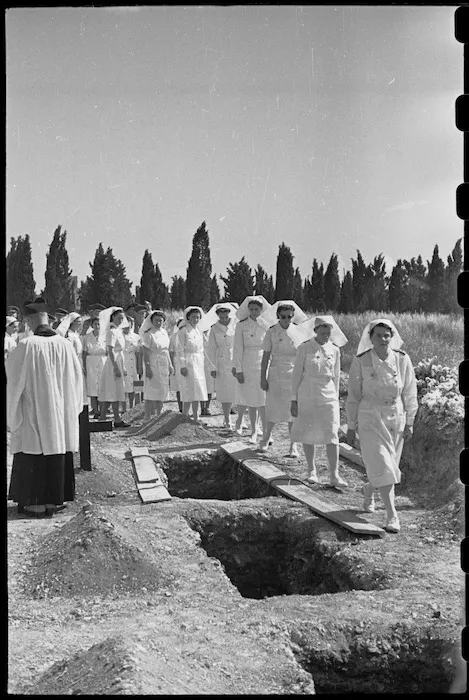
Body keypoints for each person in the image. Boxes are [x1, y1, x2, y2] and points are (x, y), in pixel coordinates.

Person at [6, 298, 83, 517]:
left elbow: (13, 381)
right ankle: (54, 500)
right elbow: (78, 381)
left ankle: (35, 502)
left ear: (29, 320)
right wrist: (72, 407)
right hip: (60, 414)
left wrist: (12, 414)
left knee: (34, 449)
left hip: (35, 412)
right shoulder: (65, 345)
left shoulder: (27, 345)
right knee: (57, 446)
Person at [345, 319, 418, 533]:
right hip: (370, 416)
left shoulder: (402, 360)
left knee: (388, 467)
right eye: (379, 335)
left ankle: (369, 489)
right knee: (383, 464)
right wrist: (351, 425)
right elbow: (353, 395)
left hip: (395, 417)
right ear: (371, 338)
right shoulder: (362, 361)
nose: (384, 339)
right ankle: (391, 514)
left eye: (387, 335)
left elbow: (410, 393)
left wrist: (411, 421)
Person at [290, 315, 348, 487]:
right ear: (315, 331)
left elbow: (336, 376)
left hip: (328, 394)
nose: (325, 336)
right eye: (322, 333)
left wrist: (336, 400)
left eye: (328, 333)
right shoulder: (305, 348)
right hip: (307, 393)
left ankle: (334, 475)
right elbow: (296, 375)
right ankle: (311, 470)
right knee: (309, 431)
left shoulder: (335, 350)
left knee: (332, 434)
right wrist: (294, 400)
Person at [259, 300, 308, 455]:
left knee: (292, 410)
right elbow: (266, 356)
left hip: (294, 373)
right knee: (273, 407)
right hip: (276, 372)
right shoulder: (272, 331)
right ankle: (266, 437)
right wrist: (263, 377)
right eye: (283, 316)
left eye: (289, 316)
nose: (287, 319)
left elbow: (303, 355)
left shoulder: (298, 332)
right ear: (278, 316)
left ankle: (293, 445)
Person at [232, 295, 272, 443]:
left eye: (257, 309)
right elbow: (237, 348)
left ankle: (266, 430)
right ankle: (254, 430)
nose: (254, 312)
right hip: (248, 361)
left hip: (264, 361)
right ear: (248, 310)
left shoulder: (267, 325)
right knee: (252, 399)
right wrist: (238, 369)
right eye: (251, 309)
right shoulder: (241, 325)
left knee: (263, 399)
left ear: (262, 310)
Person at [203, 303, 238, 429]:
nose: (224, 319)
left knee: (238, 390)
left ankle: (240, 419)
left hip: (235, 359)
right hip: (222, 362)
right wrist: (212, 367)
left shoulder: (235, 325)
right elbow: (211, 349)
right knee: (225, 391)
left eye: (226, 316)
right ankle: (227, 419)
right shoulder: (214, 328)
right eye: (221, 317)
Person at [97, 307, 130, 428]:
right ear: (113, 317)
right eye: (119, 318)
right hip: (113, 363)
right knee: (112, 390)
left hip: (119, 360)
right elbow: (110, 350)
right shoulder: (111, 331)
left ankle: (109, 418)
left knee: (115, 391)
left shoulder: (118, 331)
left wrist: (123, 367)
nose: (121, 320)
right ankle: (110, 418)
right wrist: (116, 367)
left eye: (122, 318)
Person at [140, 310, 173, 419]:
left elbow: (166, 350)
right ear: (152, 321)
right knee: (151, 391)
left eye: (160, 320)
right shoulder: (149, 334)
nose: (158, 323)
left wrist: (170, 364)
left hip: (163, 363)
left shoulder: (164, 332)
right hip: (153, 362)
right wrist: (148, 367)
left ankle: (159, 415)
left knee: (162, 390)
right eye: (156, 320)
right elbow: (145, 352)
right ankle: (147, 416)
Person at [177, 306, 207, 421]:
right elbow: (180, 349)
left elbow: (201, 349)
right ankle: (185, 416)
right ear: (188, 318)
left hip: (198, 361)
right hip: (188, 361)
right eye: (193, 317)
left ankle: (196, 416)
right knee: (188, 389)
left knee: (198, 390)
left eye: (198, 317)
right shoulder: (183, 331)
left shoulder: (199, 331)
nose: (195, 319)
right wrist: (183, 365)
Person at [82, 316, 107, 418]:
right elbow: (84, 353)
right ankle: (95, 410)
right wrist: (84, 366)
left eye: (99, 324)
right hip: (91, 362)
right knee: (93, 387)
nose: (97, 326)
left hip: (102, 361)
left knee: (102, 387)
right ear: (92, 325)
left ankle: (102, 410)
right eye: (95, 324)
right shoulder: (87, 337)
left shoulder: (105, 336)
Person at [122, 316, 141, 411]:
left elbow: (138, 352)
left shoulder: (136, 337)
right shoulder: (118, 336)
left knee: (136, 385)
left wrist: (139, 366)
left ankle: (134, 407)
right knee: (124, 385)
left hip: (133, 361)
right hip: (123, 360)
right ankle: (124, 409)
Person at [169, 318, 185, 412]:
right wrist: (172, 366)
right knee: (179, 387)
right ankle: (181, 408)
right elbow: (171, 352)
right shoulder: (173, 337)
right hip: (177, 362)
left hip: (187, 362)